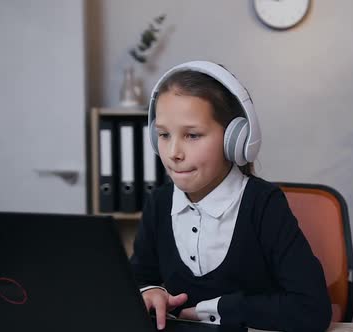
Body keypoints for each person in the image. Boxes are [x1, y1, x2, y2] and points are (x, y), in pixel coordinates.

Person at [130, 61, 332, 332]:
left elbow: (312, 309)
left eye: (192, 135)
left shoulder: (263, 203)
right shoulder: (160, 203)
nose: (173, 152)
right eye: (164, 135)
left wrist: (217, 310)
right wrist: (149, 290)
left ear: (234, 139)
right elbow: (140, 277)